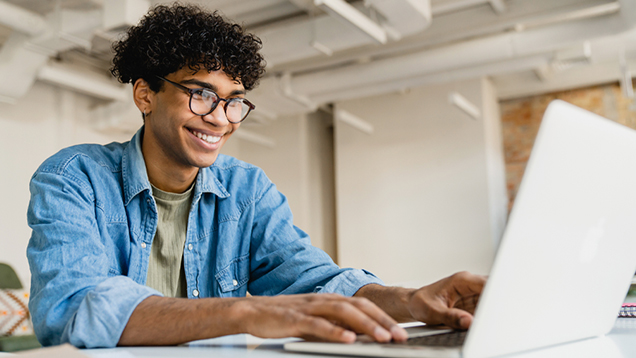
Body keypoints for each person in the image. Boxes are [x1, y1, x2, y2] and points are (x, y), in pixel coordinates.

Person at [26, 4, 486, 348]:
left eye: (234, 101)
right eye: (201, 94)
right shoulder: (74, 177)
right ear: (145, 95)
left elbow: (313, 281)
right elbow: (73, 309)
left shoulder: (247, 189)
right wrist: (248, 311)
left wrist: (412, 300)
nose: (220, 118)